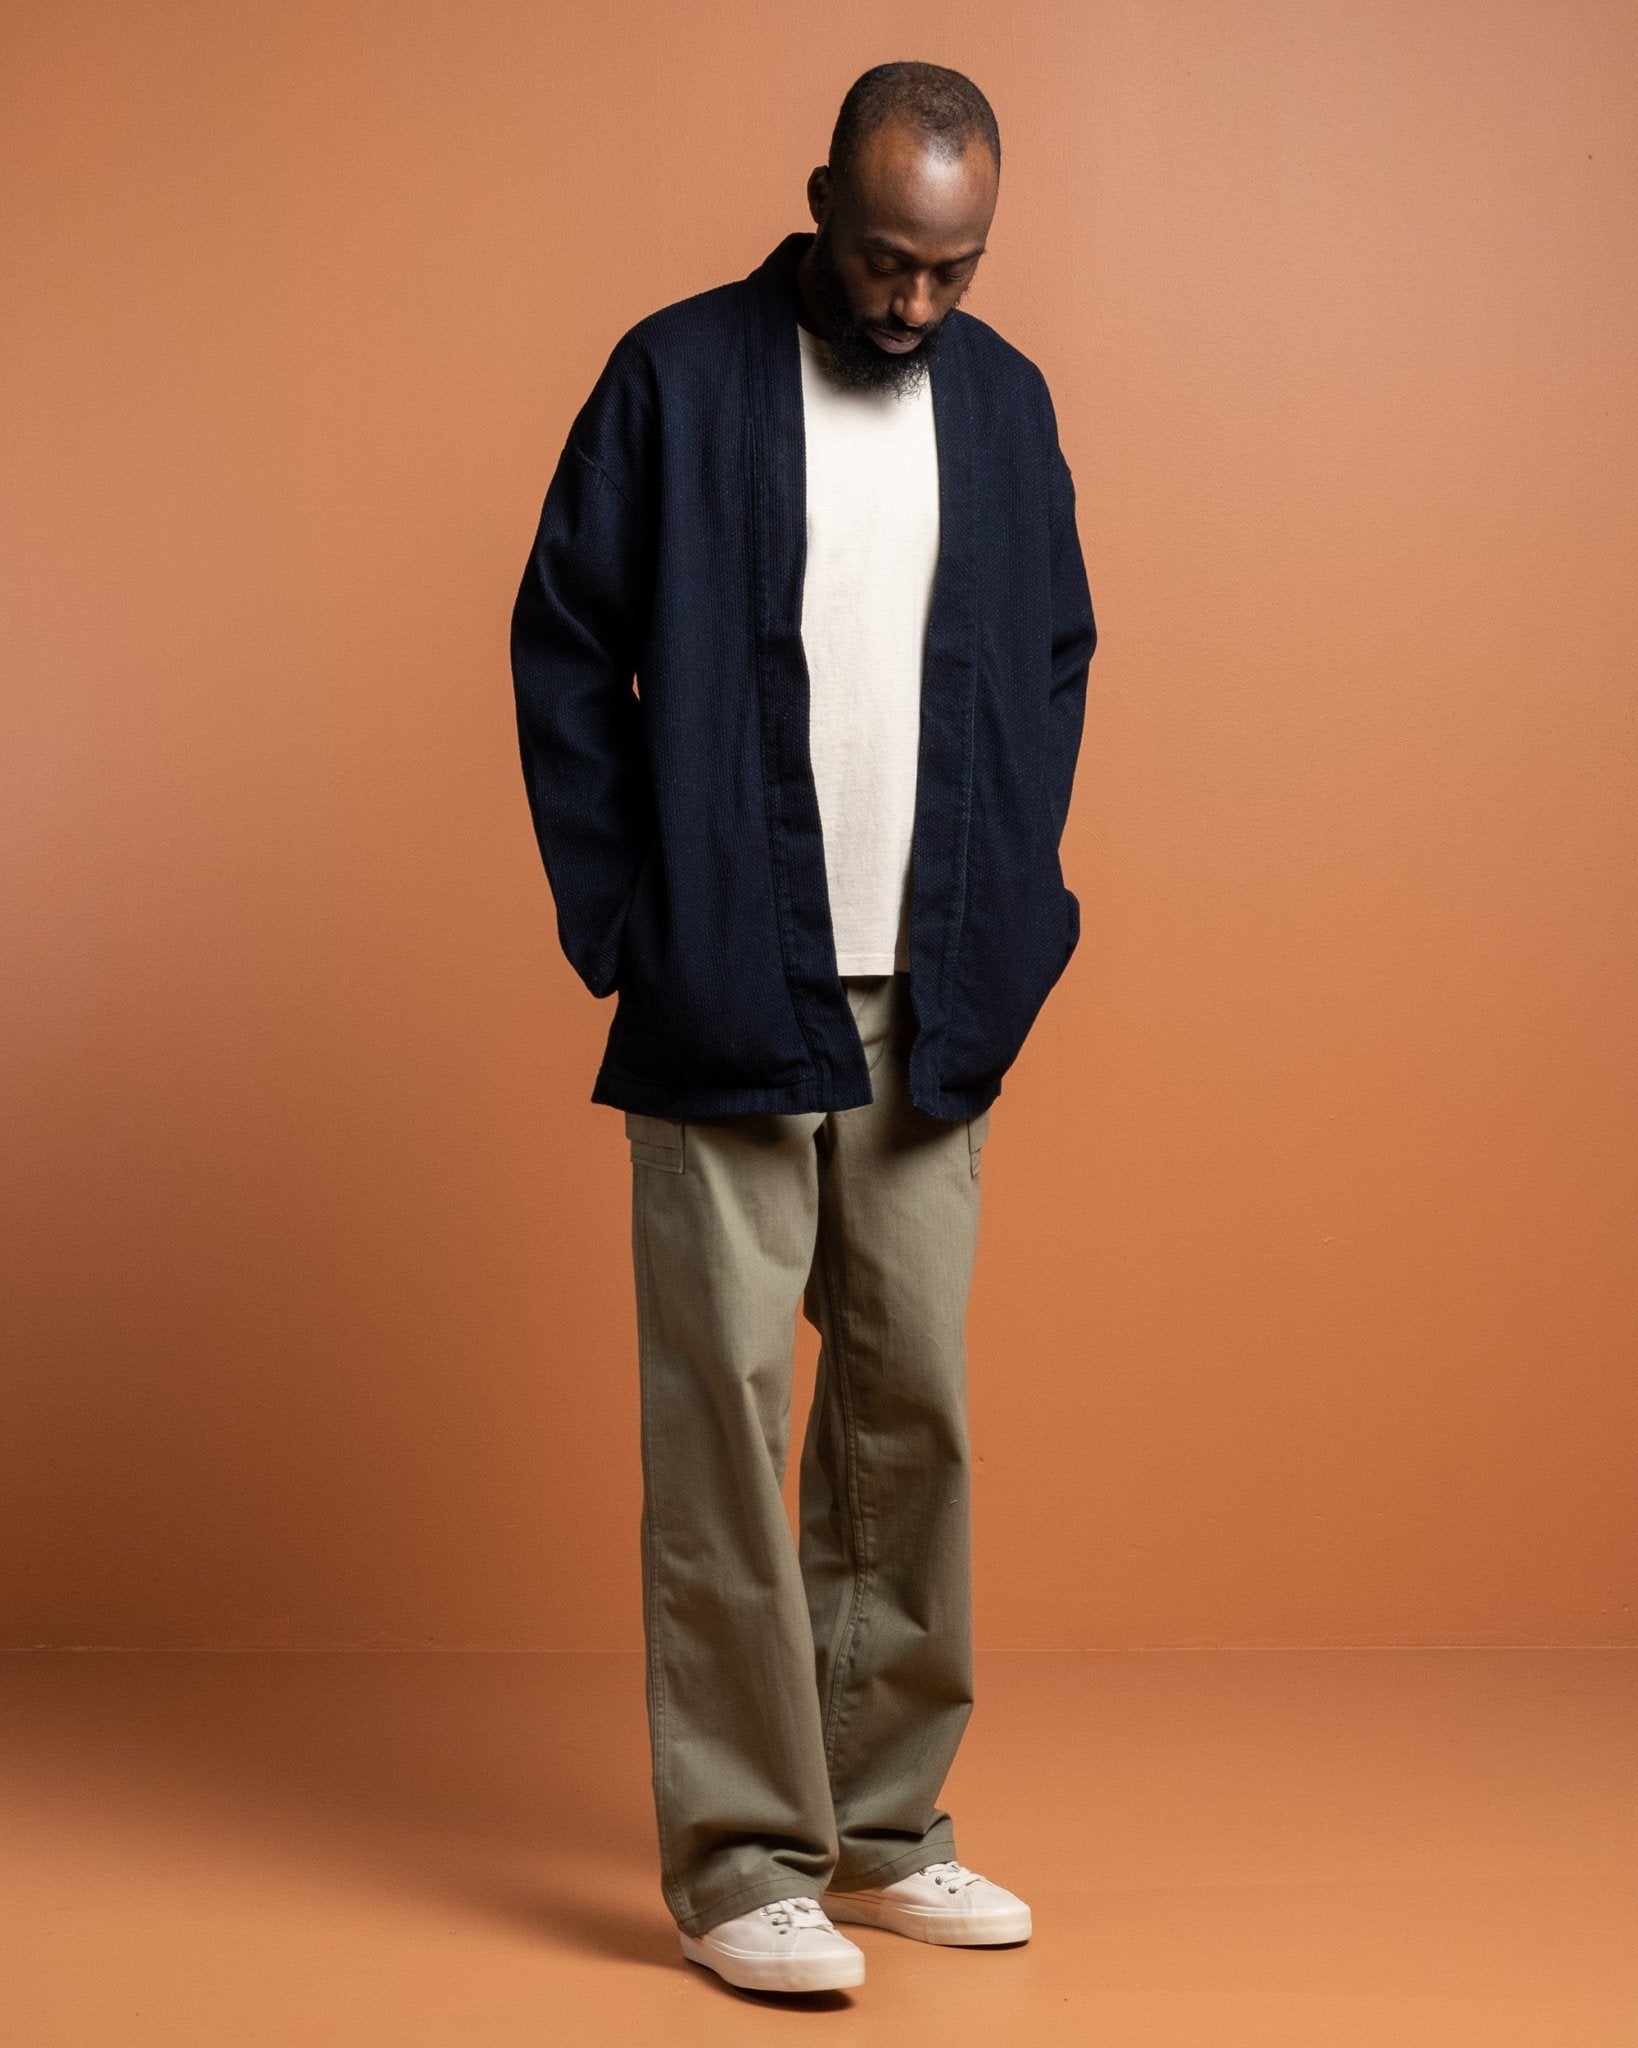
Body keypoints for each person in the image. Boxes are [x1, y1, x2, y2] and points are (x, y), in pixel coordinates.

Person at [510, 60, 1096, 1997]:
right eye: (885, 259)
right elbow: (562, 644)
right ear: (820, 202)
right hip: (727, 979)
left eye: (953, 268)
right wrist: (634, 921)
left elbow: (1055, 656)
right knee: (727, 1420)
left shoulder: (1004, 408)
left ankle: (884, 1826)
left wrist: (1015, 911)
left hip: (931, 995)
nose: (914, 301)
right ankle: (742, 1857)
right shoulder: (677, 379)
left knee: (908, 1413)